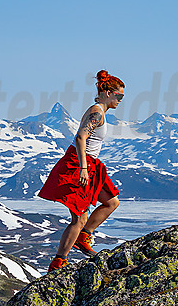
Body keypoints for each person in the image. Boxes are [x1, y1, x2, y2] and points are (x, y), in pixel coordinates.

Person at [38, 70, 125, 272]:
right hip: (81, 164)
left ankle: (84, 237)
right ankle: (58, 262)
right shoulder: (96, 112)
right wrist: (83, 168)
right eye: (119, 96)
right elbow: (80, 138)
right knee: (79, 217)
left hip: (91, 164)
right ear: (109, 93)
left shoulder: (100, 112)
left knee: (111, 202)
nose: (120, 101)